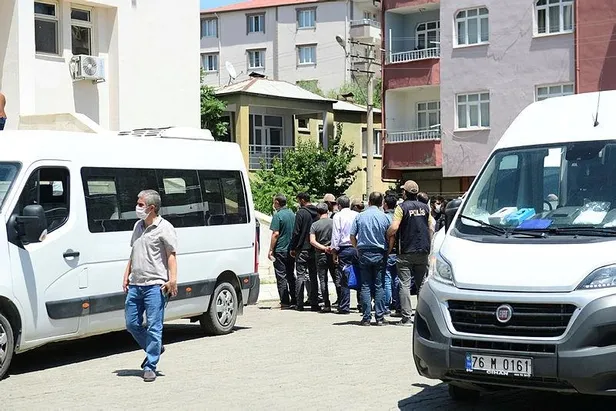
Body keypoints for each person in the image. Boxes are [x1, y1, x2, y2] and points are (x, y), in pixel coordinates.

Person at [123, 190, 178, 382]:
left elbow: (171, 256)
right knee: (131, 324)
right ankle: (154, 347)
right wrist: (126, 274)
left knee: (154, 327)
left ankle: (150, 366)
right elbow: (133, 251)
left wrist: (172, 280)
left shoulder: (165, 228)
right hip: (136, 284)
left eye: (141, 204)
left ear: (152, 208)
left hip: (155, 286)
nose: (137, 207)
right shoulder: (137, 226)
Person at [387, 181, 431, 327]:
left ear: (405, 193)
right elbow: (431, 226)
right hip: (423, 250)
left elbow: (394, 227)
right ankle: (423, 316)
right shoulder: (425, 208)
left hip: (406, 251)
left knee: (404, 284)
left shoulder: (401, 207)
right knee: (422, 284)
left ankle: (406, 318)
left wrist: (388, 234)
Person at [350, 192, 391, 326]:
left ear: (369, 202)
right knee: (379, 285)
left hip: (364, 252)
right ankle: (380, 317)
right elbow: (391, 236)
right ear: (381, 203)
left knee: (365, 285)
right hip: (380, 251)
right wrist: (388, 250)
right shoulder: (385, 217)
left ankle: (366, 318)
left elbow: (352, 236)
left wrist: (357, 248)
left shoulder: (360, 216)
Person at [290, 192, 319, 311]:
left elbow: (296, 232)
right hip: (314, 248)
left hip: (302, 248)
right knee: (313, 276)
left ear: (302, 200)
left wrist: (292, 247)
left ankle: (299, 303)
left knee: (300, 276)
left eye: (298, 200)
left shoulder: (301, 213)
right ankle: (314, 303)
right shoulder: (317, 212)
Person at [329, 195, 358, 315]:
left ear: (339, 205)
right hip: (357, 247)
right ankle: (362, 304)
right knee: (359, 274)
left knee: (344, 278)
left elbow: (336, 234)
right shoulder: (356, 215)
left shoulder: (338, 216)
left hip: (344, 248)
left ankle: (344, 306)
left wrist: (334, 251)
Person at [269, 194, 296, 308]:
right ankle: (295, 299)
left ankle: (284, 301)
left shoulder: (278, 215)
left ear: (277, 202)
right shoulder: (292, 214)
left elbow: (275, 234)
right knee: (291, 275)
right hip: (291, 249)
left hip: (280, 250)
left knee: (281, 276)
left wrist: (271, 249)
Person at [310, 202, 335, 313]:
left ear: (317, 212)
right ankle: (341, 302)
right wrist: (330, 248)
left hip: (320, 254)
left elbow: (312, 241)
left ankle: (327, 304)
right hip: (333, 253)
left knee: (323, 280)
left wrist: (323, 248)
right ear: (327, 211)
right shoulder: (333, 222)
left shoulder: (315, 225)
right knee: (336, 278)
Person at [382, 194, 398, 315]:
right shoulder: (399, 217)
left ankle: (386, 306)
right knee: (397, 279)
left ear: (385, 204)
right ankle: (398, 305)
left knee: (386, 279)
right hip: (399, 252)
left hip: (388, 251)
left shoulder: (384, 217)